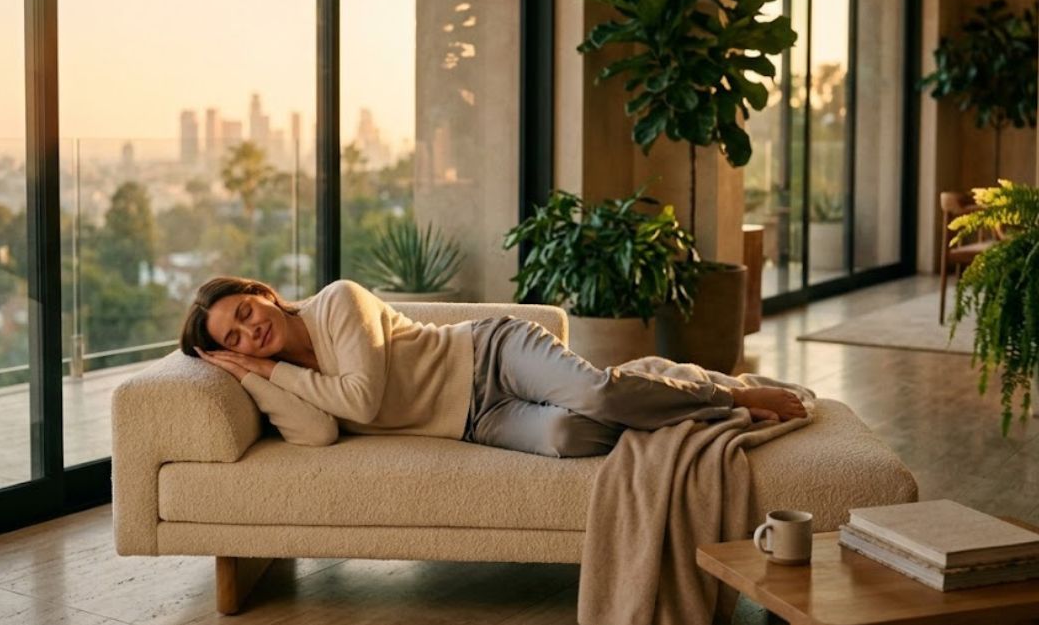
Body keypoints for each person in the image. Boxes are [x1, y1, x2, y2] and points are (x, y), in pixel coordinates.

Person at [179, 276, 808, 458]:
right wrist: (253, 379)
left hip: (491, 354)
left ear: (260, 292)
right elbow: (317, 433)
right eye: (233, 338)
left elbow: (363, 401)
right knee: (569, 435)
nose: (249, 331)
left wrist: (275, 374)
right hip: (476, 422)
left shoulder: (337, 303)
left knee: (600, 396)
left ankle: (723, 397)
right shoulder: (275, 374)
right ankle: (662, 387)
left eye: (243, 310)